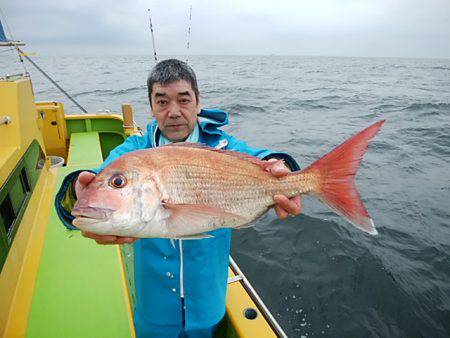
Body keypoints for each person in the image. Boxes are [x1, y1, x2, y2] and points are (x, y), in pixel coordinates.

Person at [55, 59, 301, 338]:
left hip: (208, 298)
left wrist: (287, 171)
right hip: (154, 303)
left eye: (184, 101)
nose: (173, 112)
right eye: (162, 102)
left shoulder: (222, 147)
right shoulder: (134, 153)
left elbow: (264, 159)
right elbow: (94, 180)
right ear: (151, 107)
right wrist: (73, 191)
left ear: (198, 103)